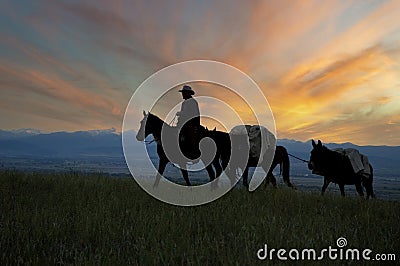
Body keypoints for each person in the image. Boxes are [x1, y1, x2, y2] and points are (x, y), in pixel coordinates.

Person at [176, 85, 200, 158]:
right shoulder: (186, 102)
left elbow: (192, 113)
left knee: (188, 136)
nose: (182, 94)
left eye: (184, 93)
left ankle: (192, 151)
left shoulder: (192, 102)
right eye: (182, 93)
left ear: (188, 93)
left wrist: (181, 113)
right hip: (185, 123)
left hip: (192, 123)